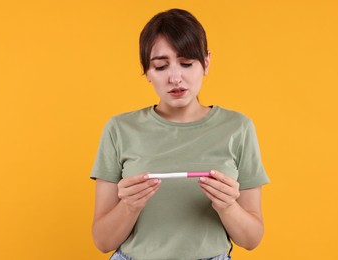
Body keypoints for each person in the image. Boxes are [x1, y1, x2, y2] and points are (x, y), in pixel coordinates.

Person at [90, 8, 269, 260]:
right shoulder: (119, 129)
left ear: (206, 62)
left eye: (187, 63)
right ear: (147, 72)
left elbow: (251, 240)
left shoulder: (238, 127)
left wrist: (228, 206)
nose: (175, 77)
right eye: (161, 66)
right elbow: (103, 240)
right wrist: (129, 206)